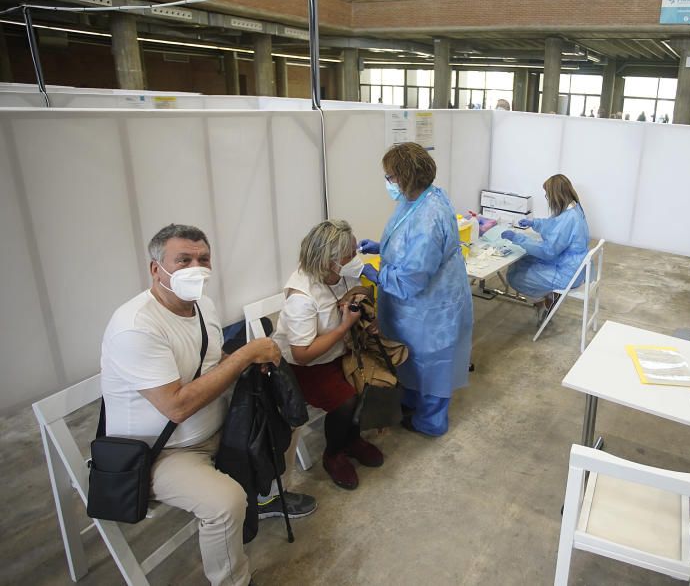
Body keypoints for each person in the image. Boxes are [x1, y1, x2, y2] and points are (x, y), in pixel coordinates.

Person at [100, 224, 315, 586]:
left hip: (218, 426)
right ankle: (233, 580)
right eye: (183, 260)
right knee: (225, 502)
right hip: (163, 452)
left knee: (285, 421)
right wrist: (246, 354)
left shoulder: (204, 306)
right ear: (156, 269)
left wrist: (249, 365)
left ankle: (263, 500)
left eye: (203, 259)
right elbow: (176, 407)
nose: (195, 268)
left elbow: (212, 365)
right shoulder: (135, 326)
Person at [357, 143, 473, 437]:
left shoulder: (429, 217)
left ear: (405, 177)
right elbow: (410, 246)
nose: (387, 182)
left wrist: (375, 272)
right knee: (413, 358)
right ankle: (411, 402)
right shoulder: (421, 198)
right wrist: (383, 247)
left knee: (432, 362)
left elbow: (413, 278)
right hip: (420, 304)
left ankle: (430, 422)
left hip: (432, 306)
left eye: (390, 176)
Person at [271, 220, 385, 490]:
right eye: (349, 254)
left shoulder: (341, 274)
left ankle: (352, 438)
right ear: (328, 261)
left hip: (337, 351)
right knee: (346, 400)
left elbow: (353, 301)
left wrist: (367, 320)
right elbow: (302, 355)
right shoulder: (302, 297)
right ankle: (333, 454)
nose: (354, 258)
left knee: (372, 380)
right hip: (304, 366)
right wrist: (345, 325)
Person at [501, 174, 590, 322]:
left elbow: (548, 251)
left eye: (547, 195)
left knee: (516, 276)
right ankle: (547, 296)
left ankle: (543, 302)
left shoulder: (569, 218)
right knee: (523, 261)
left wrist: (518, 238)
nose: (547, 198)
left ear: (556, 195)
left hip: (567, 273)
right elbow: (554, 225)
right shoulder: (573, 208)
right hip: (571, 263)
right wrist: (534, 223)